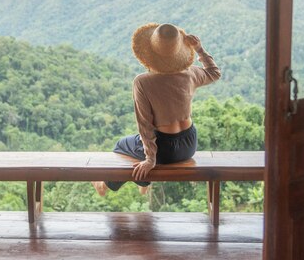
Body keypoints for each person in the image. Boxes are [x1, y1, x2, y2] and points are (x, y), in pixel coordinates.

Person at [92, 23, 221, 196]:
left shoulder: (143, 82)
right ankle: (143, 182)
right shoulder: (190, 73)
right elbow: (214, 73)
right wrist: (199, 49)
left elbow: (145, 124)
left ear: (149, 54)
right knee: (138, 144)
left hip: (164, 151)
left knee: (121, 144)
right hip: (190, 143)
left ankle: (108, 185)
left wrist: (150, 159)